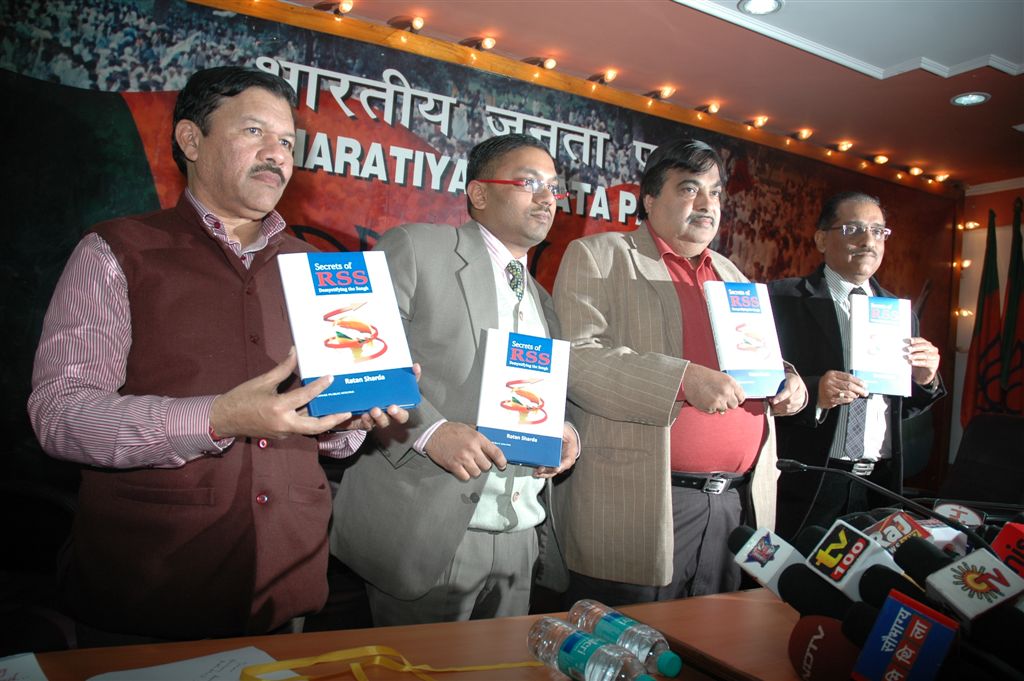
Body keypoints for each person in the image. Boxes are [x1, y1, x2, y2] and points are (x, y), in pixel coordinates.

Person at [27, 66, 409, 642]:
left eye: (286, 142)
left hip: (288, 589)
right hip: (149, 592)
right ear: (190, 140)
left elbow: (330, 437)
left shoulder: (326, 270)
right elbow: (61, 417)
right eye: (254, 132)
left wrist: (361, 409)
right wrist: (217, 417)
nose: (276, 154)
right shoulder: (117, 250)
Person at [330, 134, 579, 625]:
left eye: (554, 187)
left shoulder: (541, 298)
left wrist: (565, 433)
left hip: (519, 534)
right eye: (529, 182)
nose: (547, 197)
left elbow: (534, 399)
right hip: (429, 530)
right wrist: (429, 431)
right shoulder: (420, 248)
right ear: (479, 193)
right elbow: (355, 356)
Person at [552, 138, 806, 606]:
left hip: (737, 503)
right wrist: (683, 380)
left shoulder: (732, 273)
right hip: (644, 501)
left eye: (715, 192)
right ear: (649, 199)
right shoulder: (600, 256)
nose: (708, 204)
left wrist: (788, 380)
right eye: (690, 189)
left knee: (713, 656)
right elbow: (579, 359)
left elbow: (754, 360)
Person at [768, 191, 945, 538]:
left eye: (878, 231)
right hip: (808, 479)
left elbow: (898, 409)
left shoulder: (898, 312)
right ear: (821, 239)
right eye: (853, 229)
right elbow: (754, 383)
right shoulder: (782, 299)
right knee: (787, 585)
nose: (869, 241)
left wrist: (926, 380)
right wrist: (814, 391)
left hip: (879, 486)